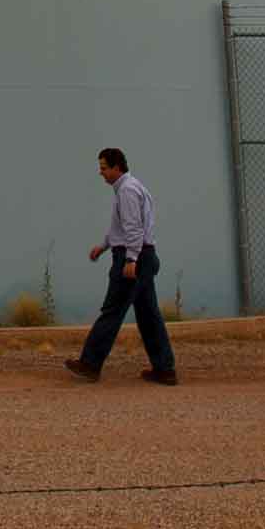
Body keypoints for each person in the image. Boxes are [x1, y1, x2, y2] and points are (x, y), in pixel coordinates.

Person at [63, 147, 178, 385]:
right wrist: (104, 246)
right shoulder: (129, 188)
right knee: (148, 315)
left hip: (133, 259)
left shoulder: (126, 191)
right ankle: (165, 369)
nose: (101, 173)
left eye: (104, 168)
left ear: (117, 167)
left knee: (113, 311)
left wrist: (131, 259)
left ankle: (90, 364)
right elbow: (122, 227)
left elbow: (133, 228)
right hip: (142, 257)